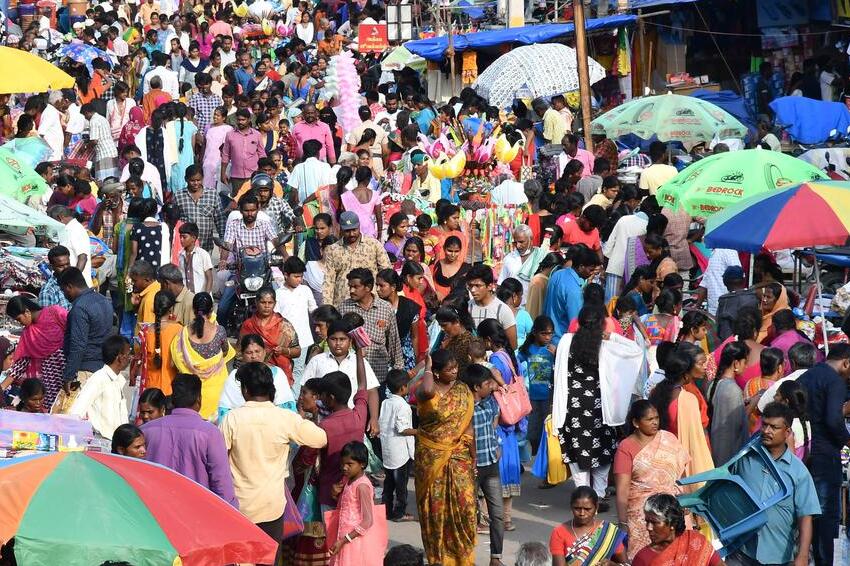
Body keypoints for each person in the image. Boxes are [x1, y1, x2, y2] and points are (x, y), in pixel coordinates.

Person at [220, 361, 327, 563]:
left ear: (244, 390)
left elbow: (218, 459)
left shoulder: (231, 419)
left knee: (241, 560)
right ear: (271, 389)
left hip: (239, 506)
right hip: (272, 506)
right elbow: (320, 438)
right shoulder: (285, 418)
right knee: (267, 559)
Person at [553, 306, 643, 510]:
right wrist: (612, 337)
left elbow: (557, 374)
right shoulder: (605, 345)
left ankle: (582, 496)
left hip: (572, 407)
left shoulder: (566, 341)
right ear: (601, 325)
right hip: (600, 409)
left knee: (577, 453)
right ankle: (600, 495)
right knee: (602, 452)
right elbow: (635, 350)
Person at [724, 402, 820, 566]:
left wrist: (803, 555)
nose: (767, 431)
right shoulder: (745, 458)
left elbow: (806, 516)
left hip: (778, 556)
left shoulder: (799, 472)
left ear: (787, 432)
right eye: (765, 425)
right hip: (741, 551)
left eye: (774, 427)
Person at [414, 350, 476, 566]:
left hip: (459, 458)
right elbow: (429, 389)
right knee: (435, 509)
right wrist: (428, 366)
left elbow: (468, 426)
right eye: (449, 369)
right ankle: (438, 558)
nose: (455, 371)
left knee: (465, 509)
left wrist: (473, 458)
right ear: (437, 372)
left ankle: (463, 559)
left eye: (456, 367)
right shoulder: (425, 391)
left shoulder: (463, 390)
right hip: (431, 460)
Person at [142, 373, 237, 506]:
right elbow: (221, 483)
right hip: (196, 513)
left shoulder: (146, 430)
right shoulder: (210, 433)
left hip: (154, 511)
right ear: (199, 399)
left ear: (173, 400)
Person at [613, 400, 688, 560]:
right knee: (645, 558)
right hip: (642, 515)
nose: (655, 423)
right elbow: (622, 489)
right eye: (649, 419)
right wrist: (623, 523)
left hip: (671, 509)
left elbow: (681, 475)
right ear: (636, 422)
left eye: (656, 418)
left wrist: (685, 501)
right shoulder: (626, 447)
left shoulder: (669, 439)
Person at [797, 343, 850, 566]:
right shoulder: (835, 382)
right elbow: (833, 419)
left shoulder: (807, 375)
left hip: (805, 452)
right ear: (846, 363)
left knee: (806, 511)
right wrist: (846, 440)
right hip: (825, 454)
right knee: (826, 515)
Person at [315, 335, 370, 513]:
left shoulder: (325, 426)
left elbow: (312, 458)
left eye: (322, 395)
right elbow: (362, 384)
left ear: (330, 398)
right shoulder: (359, 415)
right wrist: (359, 353)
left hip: (328, 490)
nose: (320, 398)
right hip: (352, 491)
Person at [648, 346, 714, 479]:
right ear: (685, 373)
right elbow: (695, 439)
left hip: (661, 455)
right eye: (701, 363)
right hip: (682, 456)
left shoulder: (657, 391)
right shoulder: (687, 399)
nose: (705, 367)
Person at [463, 363, 504, 566]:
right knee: (469, 515)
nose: (492, 386)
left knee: (498, 515)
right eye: (488, 383)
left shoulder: (490, 403)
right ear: (477, 387)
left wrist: (497, 444)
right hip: (473, 467)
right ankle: (466, 557)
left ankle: (495, 558)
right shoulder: (465, 407)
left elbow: (493, 427)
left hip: (491, 464)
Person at [170, 293, 235, 420]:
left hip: (193, 394)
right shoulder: (219, 331)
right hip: (217, 390)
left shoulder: (183, 333)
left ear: (193, 310)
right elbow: (226, 352)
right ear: (211, 310)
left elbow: (176, 359)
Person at [55, 268, 113, 411]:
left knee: (73, 415)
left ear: (69, 286)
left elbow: (78, 345)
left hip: (85, 370)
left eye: (64, 291)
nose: (65, 295)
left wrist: (68, 376)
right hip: (102, 366)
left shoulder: (79, 308)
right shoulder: (103, 300)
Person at [338, 268, 404, 386]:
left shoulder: (385, 308)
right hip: (352, 373)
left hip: (378, 373)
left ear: (368, 287)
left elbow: (394, 340)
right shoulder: (343, 308)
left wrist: (398, 369)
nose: (351, 290)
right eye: (350, 287)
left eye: (355, 287)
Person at [6, 296, 68, 409]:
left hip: (69, 371)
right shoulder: (28, 333)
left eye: (19, 320)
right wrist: (3, 386)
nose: (20, 324)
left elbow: (77, 335)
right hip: (50, 378)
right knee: (53, 411)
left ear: (27, 312)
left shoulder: (55, 312)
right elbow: (21, 364)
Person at [68, 336, 131, 445]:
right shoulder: (99, 379)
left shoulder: (118, 380)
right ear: (120, 358)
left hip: (116, 442)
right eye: (128, 354)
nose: (130, 358)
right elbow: (77, 411)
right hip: (101, 441)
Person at [328, 441, 384, 563]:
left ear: (362, 464)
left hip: (354, 541)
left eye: (349, 464)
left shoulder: (362, 486)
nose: (344, 467)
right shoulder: (348, 481)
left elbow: (368, 520)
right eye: (342, 463)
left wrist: (344, 540)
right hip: (345, 537)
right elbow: (348, 506)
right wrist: (334, 495)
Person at [322, 211, 392, 306]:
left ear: (359, 226)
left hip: (371, 304)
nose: (351, 234)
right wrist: (327, 309)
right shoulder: (333, 250)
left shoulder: (373, 245)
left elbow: (386, 272)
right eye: (347, 231)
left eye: (354, 230)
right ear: (341, 229)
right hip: (343, 304)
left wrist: (387, 299)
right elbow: (328, 282)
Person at [632, 494, 721, 566]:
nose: (649, 528)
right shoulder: (643, 558)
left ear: (672, 524)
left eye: (655, 522)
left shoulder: (695, 540)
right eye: (647, 521)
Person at [549, 486, 627, 565]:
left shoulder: (608, 532)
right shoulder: (559, 532)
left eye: (587, 509)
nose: (582, 513)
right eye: (577, 508)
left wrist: (611, 565)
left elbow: (625, 564)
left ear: (596, 507)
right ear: (571, 507)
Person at [378, 370, 416, 522]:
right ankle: (399, 512)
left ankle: (385, 509)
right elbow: (403, 429)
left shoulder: (386, 403)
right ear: (403, 388)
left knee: (389, 483)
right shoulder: (403, 406)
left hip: (388, 449)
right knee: (401, 485)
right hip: (400, 453)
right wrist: (420, 432)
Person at [240, 287, 300, 382]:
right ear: (256, 302)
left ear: (275, 303)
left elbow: (297, 351)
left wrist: (283, 351)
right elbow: (240, 352)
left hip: (279, 374)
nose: (267, 306)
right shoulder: (249, 325)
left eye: (270, 303)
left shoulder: (284, 325)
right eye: (263, 302)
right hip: (253, 374)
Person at [544, 246, 601, 344]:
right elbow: (575, 323)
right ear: (581, 267)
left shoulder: (557, 274)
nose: (592, 274)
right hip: (562, 341)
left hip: (548, 336)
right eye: (590, 270)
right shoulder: (574, 291)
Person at [707, 341, 750, 466]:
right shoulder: (732, 390)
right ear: (736, 363)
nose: (746, 366)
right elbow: (735, 428)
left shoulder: (714, 384)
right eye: (744, 362)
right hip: (728, 458)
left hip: (716, 453)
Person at [517, 316, 556, 454]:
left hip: (549, 396)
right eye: (544, 333)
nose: (547, 337)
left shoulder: (553, 349)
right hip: (533, 396)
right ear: (535, 333)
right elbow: (516, 362)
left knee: (548, 425)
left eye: (550, 333)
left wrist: (557, 354)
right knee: (533, 428)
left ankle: (545, 452)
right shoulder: (528, 350)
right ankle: (535, 451)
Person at [376, 269, 422, 371]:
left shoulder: (410, 307)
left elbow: (414, 336)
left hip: (405, 356)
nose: (378, 289)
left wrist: (415, 358)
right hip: (382, 356)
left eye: (382, 286)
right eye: (377, 285)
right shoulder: (376, 307)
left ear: (393, 287)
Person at [465, 264, 518, 350]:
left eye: (478, 286)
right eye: (470, 286)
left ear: (490, 286)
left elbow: (513, 345)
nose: (473, 290)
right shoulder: (466, 307)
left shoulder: (502, 310)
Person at [141, 289, 182, 395]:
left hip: (150, 388)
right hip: (170, 389)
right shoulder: (178, 330)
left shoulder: (145, 331)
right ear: (171, 309)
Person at [47, 205, 93, 286]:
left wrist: (72, 280)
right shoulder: (68, 229)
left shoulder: (76, 230)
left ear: (60, 217)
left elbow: (83, 257)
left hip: (77, 285)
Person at [715, 266, 759, 341]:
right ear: (743, 280)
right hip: (754, 341)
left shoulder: (725, 301)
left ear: (725, 282)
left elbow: (724, 331)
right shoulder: (755, 297)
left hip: (733, 345)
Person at [431, 235, 471, 301]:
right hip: (436, 305)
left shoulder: (466, 269)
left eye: (456, 251)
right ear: (444, 248)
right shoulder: (435, 266)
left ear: (460, 250)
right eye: (449, 251)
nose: (453, 255)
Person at [157, 263, 195, 329]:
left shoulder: (190, 302)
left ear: (167, 283)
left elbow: (190, 333)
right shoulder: (171, 299)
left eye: (161, 285)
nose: (160, 289)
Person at [39, 246, 73, 310]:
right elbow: (47, 318)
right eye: (61, 266)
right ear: (52, 267)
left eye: (68, 264)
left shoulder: (75, 281)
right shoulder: (48, 292)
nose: (66, 268)